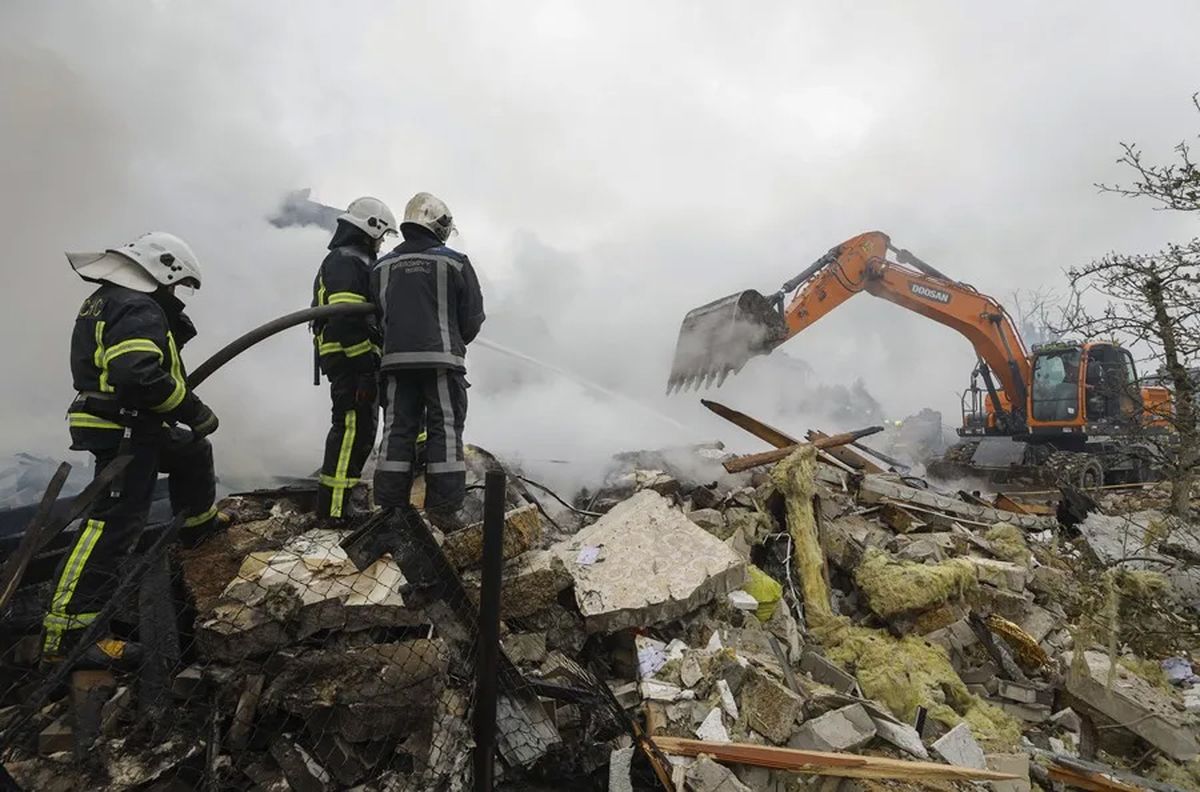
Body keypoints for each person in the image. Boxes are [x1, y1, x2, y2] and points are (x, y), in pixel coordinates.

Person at [44, 232, 222, 667]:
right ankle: (69, 634)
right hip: (124, 427)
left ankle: (199, 532)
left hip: (133, 423)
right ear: (163, 270)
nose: (175, 295)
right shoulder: (138, 305)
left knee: (191, 452)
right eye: (176, 285)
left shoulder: (111, 299)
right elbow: (137, 375)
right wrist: (192, 408)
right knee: (114, 524)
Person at [371, 193, 485, 530]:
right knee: (444, 431)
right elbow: (473, 317)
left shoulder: (381, 267)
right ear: (441, 225)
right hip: (442, 362)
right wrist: (452, 340)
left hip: (394, 364)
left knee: (396, 432)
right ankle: (444, 511)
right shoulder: (456, 262)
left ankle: (390, 511)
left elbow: (377, 317)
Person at [311, 197, 396, 519]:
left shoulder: (353, 259)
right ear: (369, 228)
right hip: (348, 359)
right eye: (382, 234)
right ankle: (333, 512)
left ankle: (341, 501)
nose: (382, 241)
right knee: (350, 430)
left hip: (352, 358)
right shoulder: (347, 261)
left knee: (360, 431)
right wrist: (364, 369)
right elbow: (346, 318)